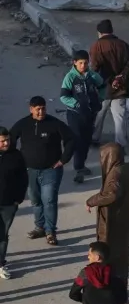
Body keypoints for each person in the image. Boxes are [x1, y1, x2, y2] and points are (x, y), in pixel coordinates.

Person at [10, 96, 75, 246]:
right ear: (31, 109)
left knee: (49, 200)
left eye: (43, 108)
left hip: (51, 170)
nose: (41, 112)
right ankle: (39, 227)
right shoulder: (23, 124)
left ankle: (50, 231)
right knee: (35, 200)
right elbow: (10, 140)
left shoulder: (54, 124)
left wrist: (63, 160)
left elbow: (70, 139)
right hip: (30, 170)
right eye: (38, 109)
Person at [86, 143, 129, 278]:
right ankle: (122, 287)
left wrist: (91, 201)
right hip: (126, 218)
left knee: (108, 252)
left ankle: (108, 287)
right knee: (123, 252)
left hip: (111, 220)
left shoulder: (115, 174)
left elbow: (111, 195)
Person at [60, 50, 106, 184]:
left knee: (86, 140)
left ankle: (81, 164)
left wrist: (101, 99)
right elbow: (64, 96)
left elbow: (102, 86)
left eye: (85, 63)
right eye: (80, 63)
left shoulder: (92, 76)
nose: (83, 66)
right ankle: (78, 167)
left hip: (90, 114)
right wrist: (76, 104)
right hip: (75, 114)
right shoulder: (70, 78)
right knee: (78, 140)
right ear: (74, 63)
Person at [89, 19, 129, 150]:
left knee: (98, 113)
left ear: (100, 32)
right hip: (120, 88)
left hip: (103, 88)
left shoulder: (97, 46)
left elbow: (94, 68)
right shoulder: (123, 45)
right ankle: (120, 144)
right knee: (120, 116)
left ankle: (94, 138)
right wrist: (120, 79)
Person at [0, 126, 28, 280]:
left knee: (2, 235)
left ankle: (0, 263)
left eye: (8, 140)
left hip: (8, 204)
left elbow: (23, 178)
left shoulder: (16, 156)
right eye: (3, 141)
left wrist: (19, 198)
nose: (6, 143)